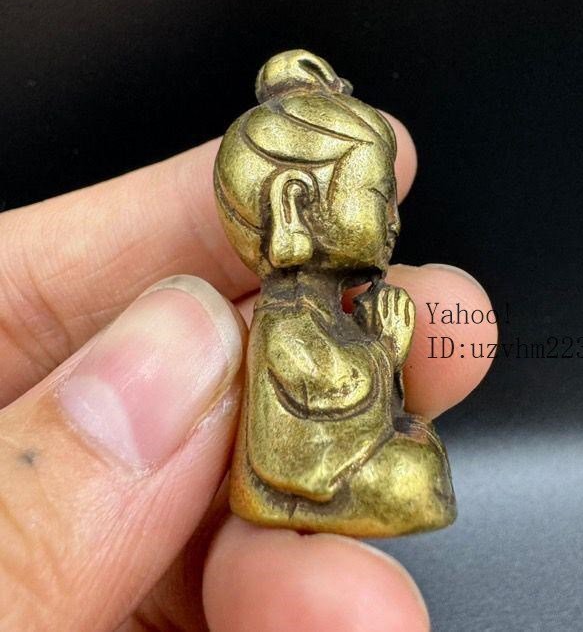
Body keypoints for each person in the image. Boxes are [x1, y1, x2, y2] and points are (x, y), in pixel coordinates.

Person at [0, 108, 496, 630]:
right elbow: (330, 386)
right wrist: (385, 350)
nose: (394, 220)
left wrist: (378, 355)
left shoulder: (321, 313)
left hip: (335, 453)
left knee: (418, 453)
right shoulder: (285, 319)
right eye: (378, 197)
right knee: (413, 475)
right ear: (295, 204)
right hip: (301, 475)